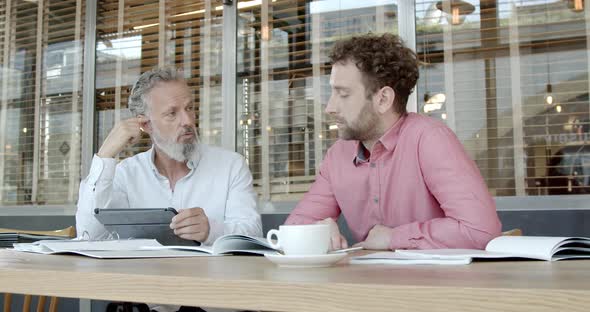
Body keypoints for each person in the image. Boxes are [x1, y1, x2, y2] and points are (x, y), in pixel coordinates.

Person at [285, 33, 502, 251]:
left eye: (343, 94)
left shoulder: (430, 140)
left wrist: (394, 237)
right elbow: (292, 228)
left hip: (439, 283)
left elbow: (480, 231)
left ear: (383, 99)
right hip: (368, 283)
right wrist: (317, 229)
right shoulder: (337, 156)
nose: (330, 108)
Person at [76, 67, 262, 246]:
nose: (188, 121)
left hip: (212, 277)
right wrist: (105, 156)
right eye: (172, 113)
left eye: (189, 108)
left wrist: (211, 231)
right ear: (145, 124)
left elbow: (254, 235)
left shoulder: (231, 166)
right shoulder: (126, 174)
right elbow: (90, 236)